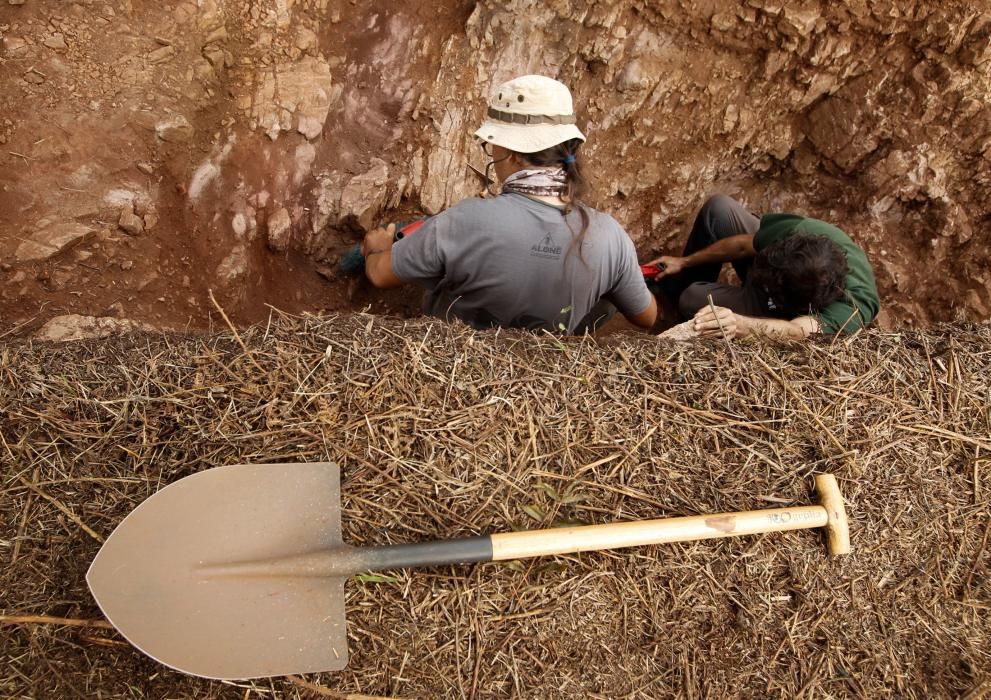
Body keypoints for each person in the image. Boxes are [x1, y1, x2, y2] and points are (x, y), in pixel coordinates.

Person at [361, 74, 657, 334]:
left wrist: (378, 246)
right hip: (541, 377)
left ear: (513, 153)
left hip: (455, 366)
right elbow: (647, 316)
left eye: (493, 143)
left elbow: (380, 274)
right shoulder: (610, 235)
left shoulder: (468, 220)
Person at [647, 194, 880, 339]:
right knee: (720, 210)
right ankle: (670, 294)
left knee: (692, 298)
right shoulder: (805, 234)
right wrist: (684, 262)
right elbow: (743, 246)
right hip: (780, 277)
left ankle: (681, 313)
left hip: (782, 313)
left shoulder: (852, 310)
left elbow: (797, 331)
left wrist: (737, 324)